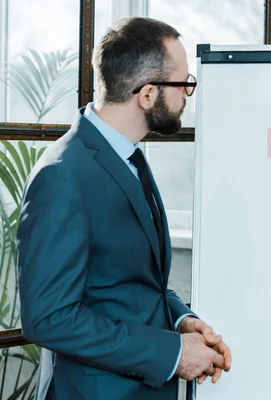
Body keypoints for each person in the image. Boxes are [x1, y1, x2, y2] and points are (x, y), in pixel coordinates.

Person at [17, 17, 231, 400]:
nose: (187, 96)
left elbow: (127, 282)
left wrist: (182, 320)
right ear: (147, 94)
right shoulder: (62, 175)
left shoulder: (128, 155)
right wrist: (172, 353)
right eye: (183, 84)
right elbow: (49, 319)